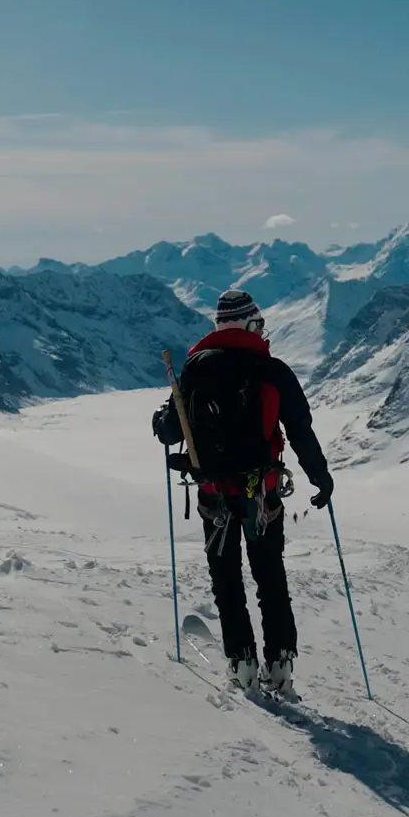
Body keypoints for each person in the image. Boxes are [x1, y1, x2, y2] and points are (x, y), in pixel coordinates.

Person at [153, 289, 333, 699]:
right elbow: (301, 431)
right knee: (271, 576)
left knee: (226, 578)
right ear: (251, 324)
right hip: (262, 494)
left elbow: (169, 431)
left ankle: (242, 663)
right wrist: (321, 479)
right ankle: (281, 664)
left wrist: (161, 416)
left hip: (212, 493)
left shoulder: (194, 368)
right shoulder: (272, 370)